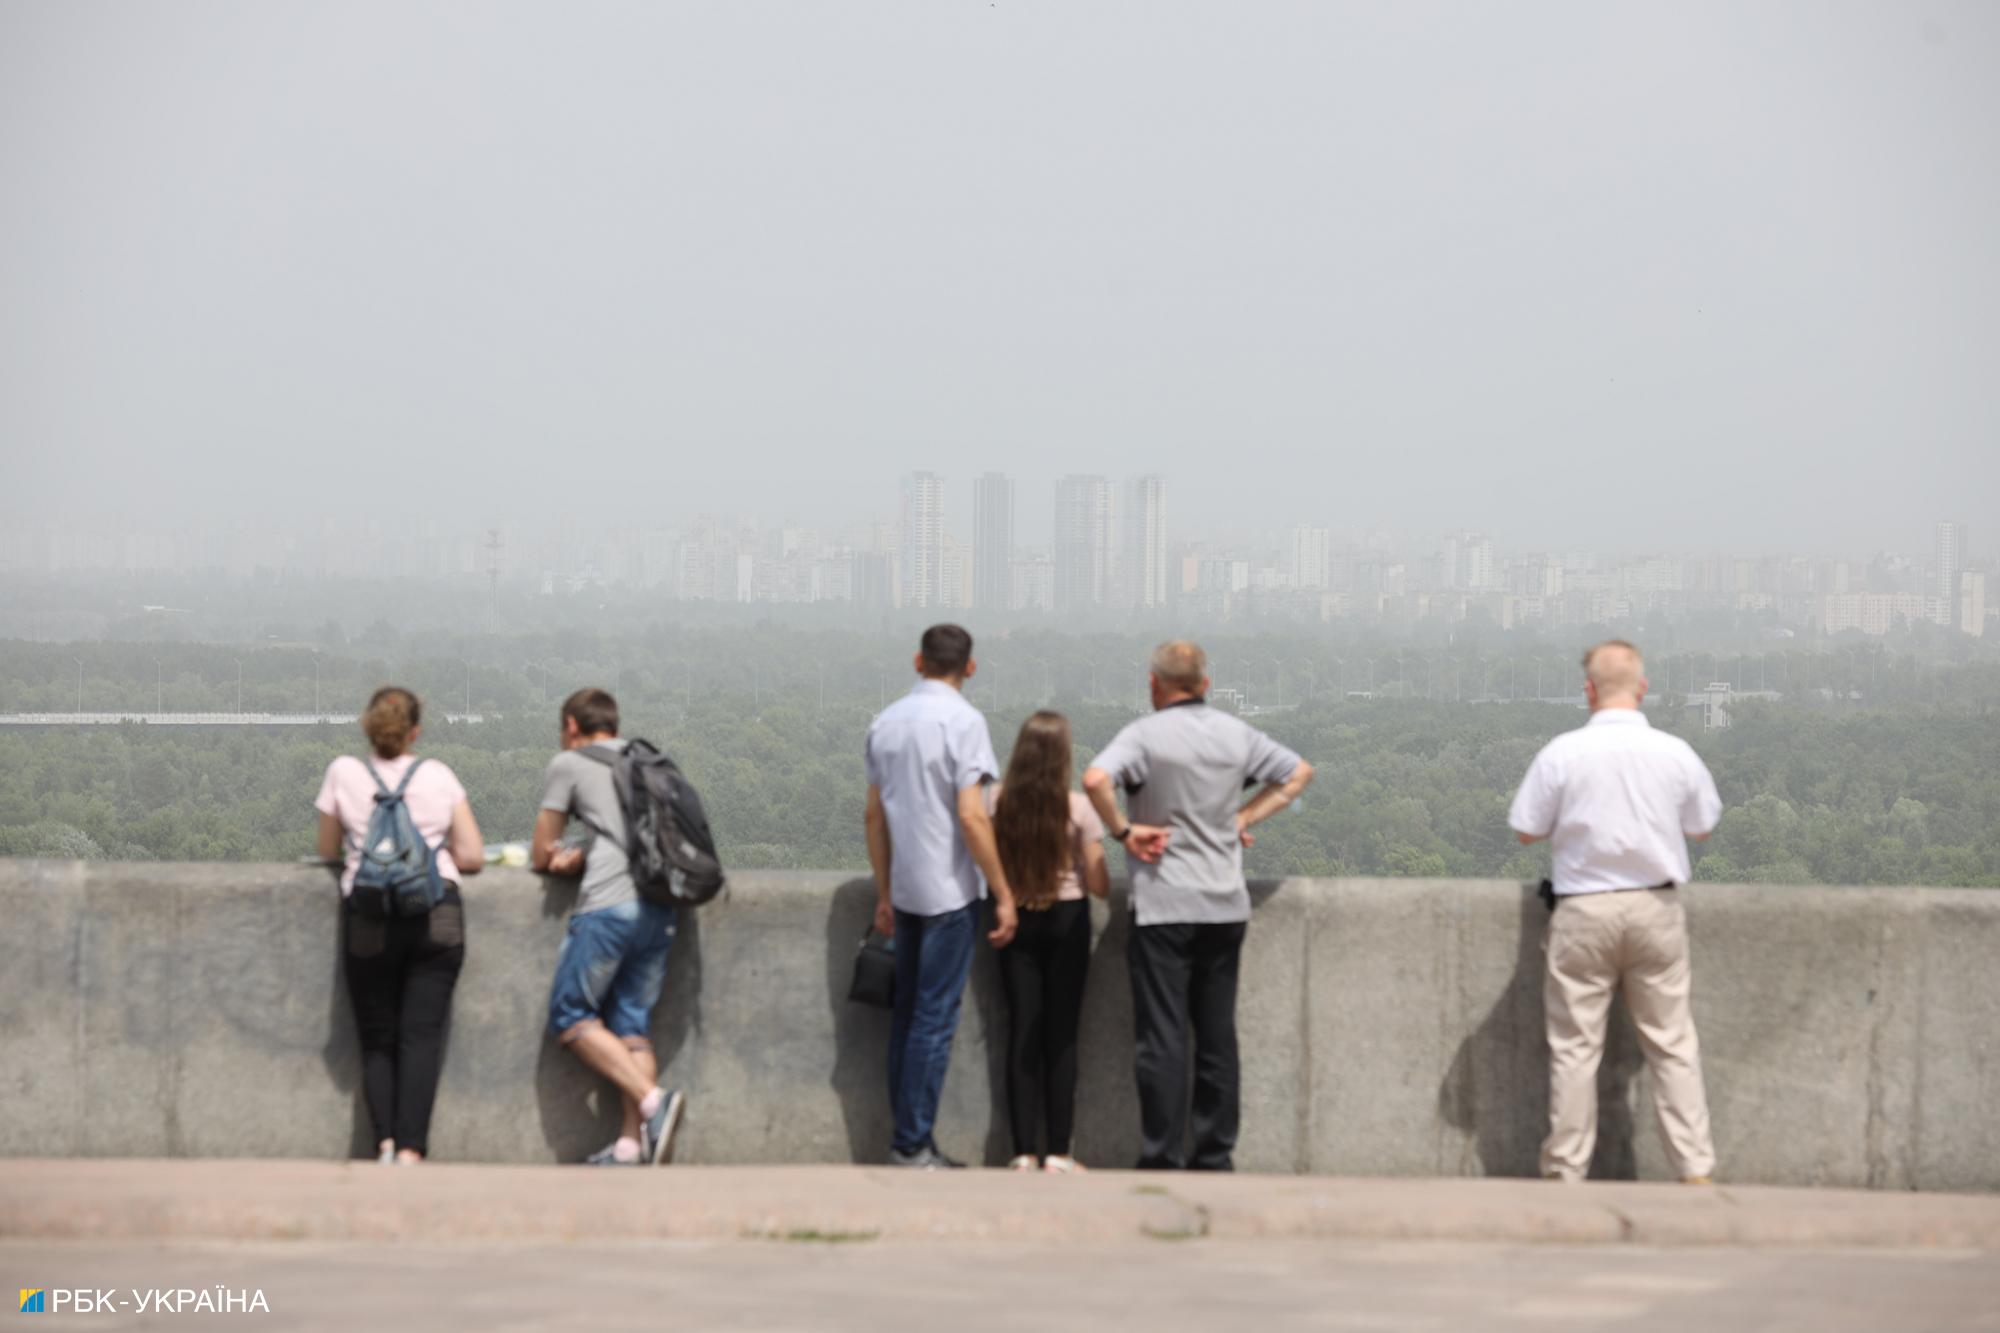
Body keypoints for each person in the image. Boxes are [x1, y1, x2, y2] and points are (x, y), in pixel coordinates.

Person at [1082, 640, 1314, 1171]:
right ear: (1205, 684)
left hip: (1163, 902)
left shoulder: (1144, 735)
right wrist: (1244, 817)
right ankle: (1214, 1154)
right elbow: (1298, 773)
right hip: (1224, 904)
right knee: (1216, 1036)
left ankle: (1162, 1154)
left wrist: (1124, 831)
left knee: (1161, 1038)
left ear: (1153, 684)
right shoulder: (1235, 733)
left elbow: (1095, 779)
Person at [1508, 639, 1722, 1185]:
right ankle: (1694, 1166)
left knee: (1575, 1049)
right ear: (1642, 688)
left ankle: (1566, 1168)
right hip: (1655, 907)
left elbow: (1526, 828)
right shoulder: (1674, 752)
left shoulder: (1563, 753)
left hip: (1583, 909)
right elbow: (1702, 825)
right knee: (1672, 1045)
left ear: (1589, 691)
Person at [864, 623, 1019, 1168]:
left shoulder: (885, 721)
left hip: (906, 890)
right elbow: (973, 817)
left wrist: (884, 891)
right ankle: (912, 1144)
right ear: (969, 667)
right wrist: (1002, 892)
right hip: (951, 893)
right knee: (932, 1023)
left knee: (906, 1019)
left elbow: (873, 816)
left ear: (918, 661)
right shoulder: (964, 722)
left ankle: (905, 1139)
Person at [315, 686, 484, 1165]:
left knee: (378, 1036)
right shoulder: (438, 776)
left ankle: (385, 1143)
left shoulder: (343, 772)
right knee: (421, 1037)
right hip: (437, 914)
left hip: (369, 916)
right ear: (415, 731)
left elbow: (327, 849)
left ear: (368, 726)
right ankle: (412, 1150)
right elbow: (472, 854)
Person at [532, 687, 686, 1166]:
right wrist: (587, 850)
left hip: (608, 906)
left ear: (571, 726)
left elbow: (541, 851)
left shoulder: (569, 763)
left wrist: (564, 858)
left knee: (571, 1015)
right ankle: (629, 1146)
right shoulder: (649, 762)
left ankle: (653, 1101)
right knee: (631, 1027)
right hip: (660, 906)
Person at [989, 711, 1110, 1173]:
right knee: (1061, 1036)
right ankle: (1059, 1151)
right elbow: (1099, 884)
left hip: (1014, 915)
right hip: (1067, 918)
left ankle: (1022, 1151)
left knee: (1022, 1030)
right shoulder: (1077, 809)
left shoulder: (997, 802)